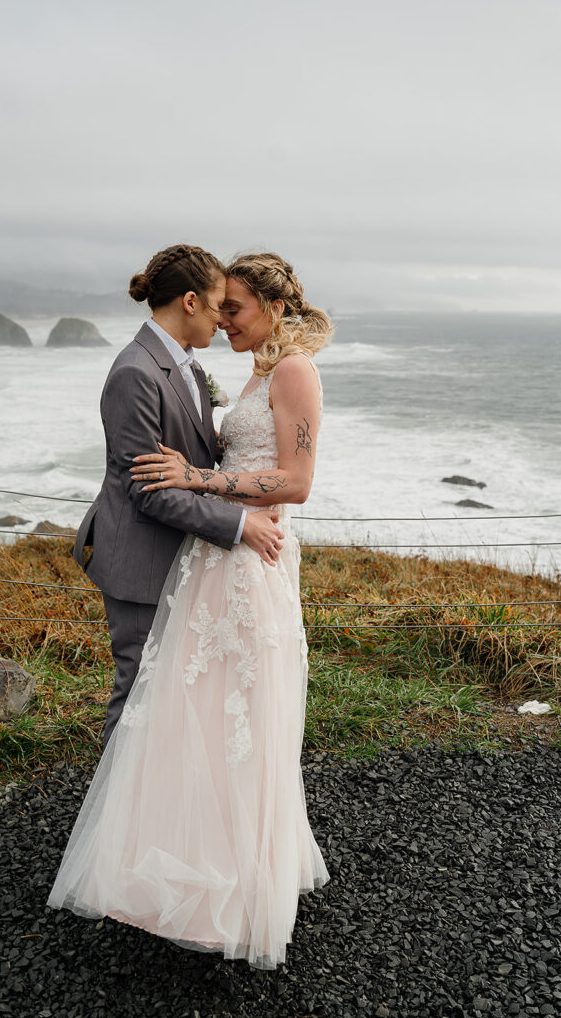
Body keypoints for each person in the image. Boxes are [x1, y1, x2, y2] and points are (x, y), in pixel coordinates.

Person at [47, 251, 334, 969]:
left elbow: (295, 482)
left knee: (237, 714)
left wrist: (204, 481)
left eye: (235, 308)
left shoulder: (290, 371)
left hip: (249, 559)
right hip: (214, 558)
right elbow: (157, 478)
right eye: (219, 306)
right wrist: (223, 508)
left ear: (269, 309)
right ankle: (156, 852)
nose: (225, 319)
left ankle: (216, 869)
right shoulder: (238, 372)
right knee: (192, 711)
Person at [72, 245, 285, 750]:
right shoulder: (135, 374)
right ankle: (112, 826)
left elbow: (192, 462)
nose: (222, 320)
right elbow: (150, 493)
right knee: (139, 693)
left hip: (183, 558)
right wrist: (239, 525)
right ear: (190, 302)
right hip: (141, 560)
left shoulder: (186, 367)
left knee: (174, 694)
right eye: (218, 307)